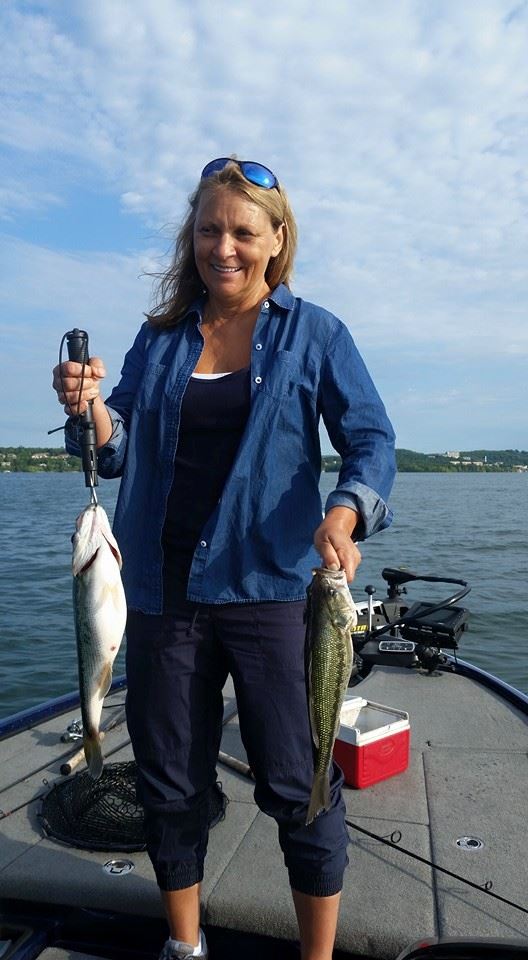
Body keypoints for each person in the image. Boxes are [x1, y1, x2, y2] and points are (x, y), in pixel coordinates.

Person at [53, 157, 396, 960]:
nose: (225, 246)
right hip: (163, 597)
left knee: (299, 785)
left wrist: (345, 510)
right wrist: (92, 408)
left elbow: (372, 441)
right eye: (210, 229)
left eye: (245, 230)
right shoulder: (161, 335)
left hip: (274, 593)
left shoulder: (317, 335)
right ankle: (185, 945)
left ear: (277, 239)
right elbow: (118, 449)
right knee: (169, 785)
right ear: (192, 236)